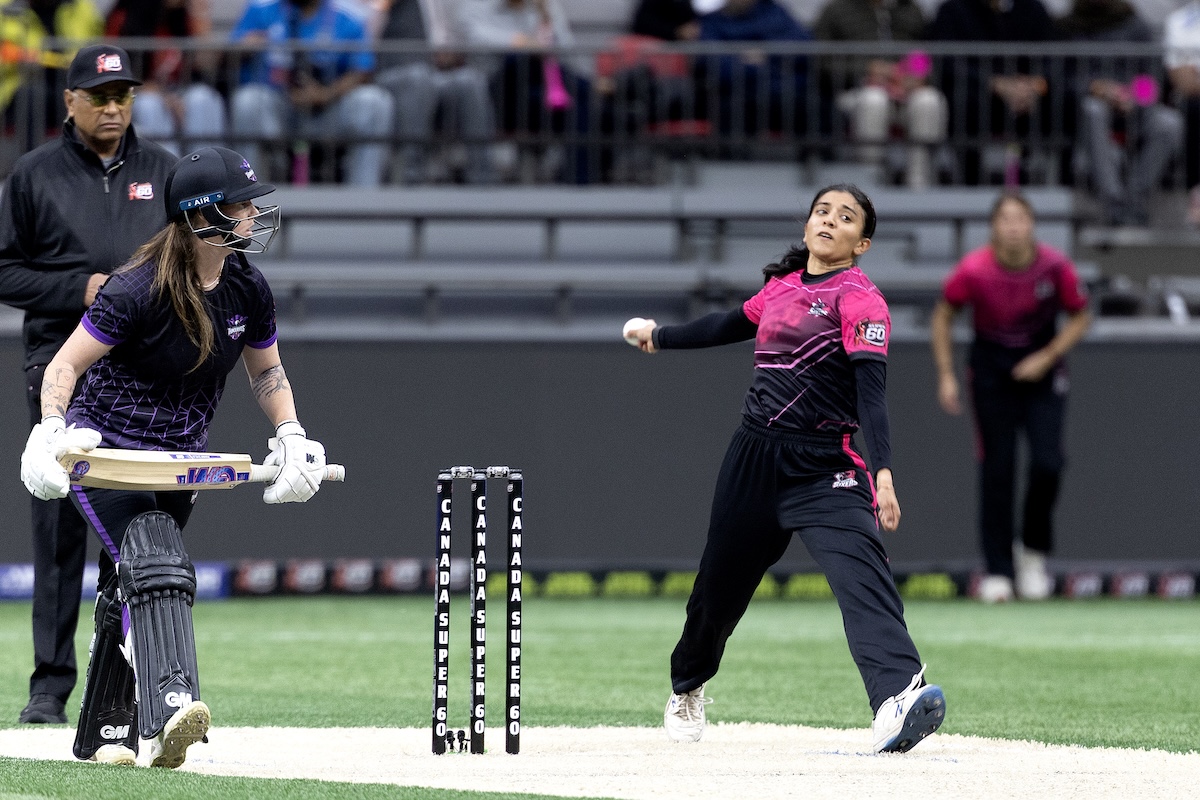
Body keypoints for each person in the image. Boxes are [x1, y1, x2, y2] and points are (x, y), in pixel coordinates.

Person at [19, 145, 331, 767]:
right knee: (157, 556)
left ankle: (106, 735)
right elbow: (64, 365)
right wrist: (50, 430)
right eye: (241, 205)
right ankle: (169, 710)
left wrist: (292, 434)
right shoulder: (138, 287)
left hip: (178, 459)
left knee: (129, 580)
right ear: (200, 215)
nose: (253, 215)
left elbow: (267, 374)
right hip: (104, 451)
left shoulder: (247, 287)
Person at [624, 184, 946, 753]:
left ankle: (897, 698)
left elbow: (873, 395)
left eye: (845, 218)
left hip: (826, 466)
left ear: (862, 242)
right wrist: (659, 337)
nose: (829, 222)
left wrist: (886, 472)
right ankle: (688, 685)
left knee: (861, 573)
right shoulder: (781, 288)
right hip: (753, 458)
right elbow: (726, 325)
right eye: (822, 212)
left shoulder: (860, 299)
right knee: (717, 590)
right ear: (807, 226)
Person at [0, 44, 176, 727]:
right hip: (61, 370)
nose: (113, 107)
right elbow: (4, 270)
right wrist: (80, 289)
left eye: (123, 95)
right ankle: (49, 687)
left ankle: (122, 680)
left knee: (130, 525)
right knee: (57, 525)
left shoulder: (164, 171)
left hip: (141, 371)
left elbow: (186, 260)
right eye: (99, 96)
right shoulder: (32, 175)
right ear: (69, 101)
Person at [929, 192, 1091, 603]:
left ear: (1033, 225)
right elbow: (943, 315)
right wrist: (946, 374)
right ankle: (999, 571)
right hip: (990, 375)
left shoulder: (1056, 267)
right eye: (1006, 219)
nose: (1014, 226)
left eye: (1022, 218)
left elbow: (1080, 315)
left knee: (1048, 463)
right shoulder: (973, 270)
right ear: (994, 227)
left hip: (1043, 373)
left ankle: (1032, 555)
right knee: (997, 470)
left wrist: (1047, 356)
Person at [230, 0, 394, 186]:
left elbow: (362, 69)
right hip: (279, 108)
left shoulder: (349, 14)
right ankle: (250, 198)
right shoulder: (261, 9)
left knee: (374, 101)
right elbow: (227, 55)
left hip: (328, 110)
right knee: (248, 100)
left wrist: (324, 94)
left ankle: (365, 199)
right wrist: (243, 48)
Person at [1059, 0, 1183, 226]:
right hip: (1086, 111)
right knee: (1093, 109)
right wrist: (1096, 88)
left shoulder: (1134, 24)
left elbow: (1153, 73)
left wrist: (1136, 96)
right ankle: (1113, 201)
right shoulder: (1068, 26)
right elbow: (1061, 78)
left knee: (1169, 123)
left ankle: (1135, 197)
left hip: (1133, 108)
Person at [927, 0, 1066, 185]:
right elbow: (947, 62)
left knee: (1061, 101)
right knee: (961, 102)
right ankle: (971, 181)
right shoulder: (953, 10)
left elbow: (1054, 58)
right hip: (976, 97)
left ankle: (1031, 177)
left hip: (1026, 98)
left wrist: (1034, 84)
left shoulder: (1032, 8)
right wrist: (994, 83)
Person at [814, 0, 947, 189]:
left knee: (930, 100)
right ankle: (870, 184)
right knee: (874, 100)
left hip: (906, 90)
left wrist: (918, 75)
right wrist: (866, 69)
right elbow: (822, 62)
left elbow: (926, 52)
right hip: (856, 91)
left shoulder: (911, 10)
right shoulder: (836, 10)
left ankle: (920, 184)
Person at [461, 0, 595, 183]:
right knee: (520, 58)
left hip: (538, 93)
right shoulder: (479, 4)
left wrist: (546, 23)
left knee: (581, 109)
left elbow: (565, 46)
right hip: (497, 93)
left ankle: (577, 182)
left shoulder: (544, 5)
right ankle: (589, 87)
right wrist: (520, 41)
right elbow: (472, 36)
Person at [374, 0, 495, 184]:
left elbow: (448, 37)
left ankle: (483, 180)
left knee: (470, 81)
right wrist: (381, 8)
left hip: (432, 72)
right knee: (418, 78)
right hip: (387, 75)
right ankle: (411, 179)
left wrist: (447, 53)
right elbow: (362, 34)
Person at [104, 0, 228, 156]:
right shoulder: (123, 16)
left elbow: (207, 65)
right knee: (150, 105)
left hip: (179, 90)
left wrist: (200, 17)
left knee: (203, 98)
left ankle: (206, 168)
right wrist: (161, 95)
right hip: (137, 91)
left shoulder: (184, 16)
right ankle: (169, 173)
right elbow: (112, 74)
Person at [695, 0, 811, 142]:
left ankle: (818, 161)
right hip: (737, 95)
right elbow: (716, 65)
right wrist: (769, 66)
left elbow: (802, 46)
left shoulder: (775, 13)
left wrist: (767, 53)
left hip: (783, 93)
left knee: (817, 109)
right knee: (729, 114)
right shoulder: (711, 22)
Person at [0, 0, 103, 155]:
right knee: (33, 95)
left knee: (81, 99)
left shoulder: (81, 7)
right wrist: (16, 59)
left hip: (71, 82)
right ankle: (32, 167)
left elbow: (98, 47)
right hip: (16, 88)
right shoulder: (6, 8)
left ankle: (82, 165)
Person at [1164, 0, 1200, 226]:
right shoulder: (1181, 21)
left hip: (1139, 92)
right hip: (1143, 98)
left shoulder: (1132, 25)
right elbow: (1183, 81)